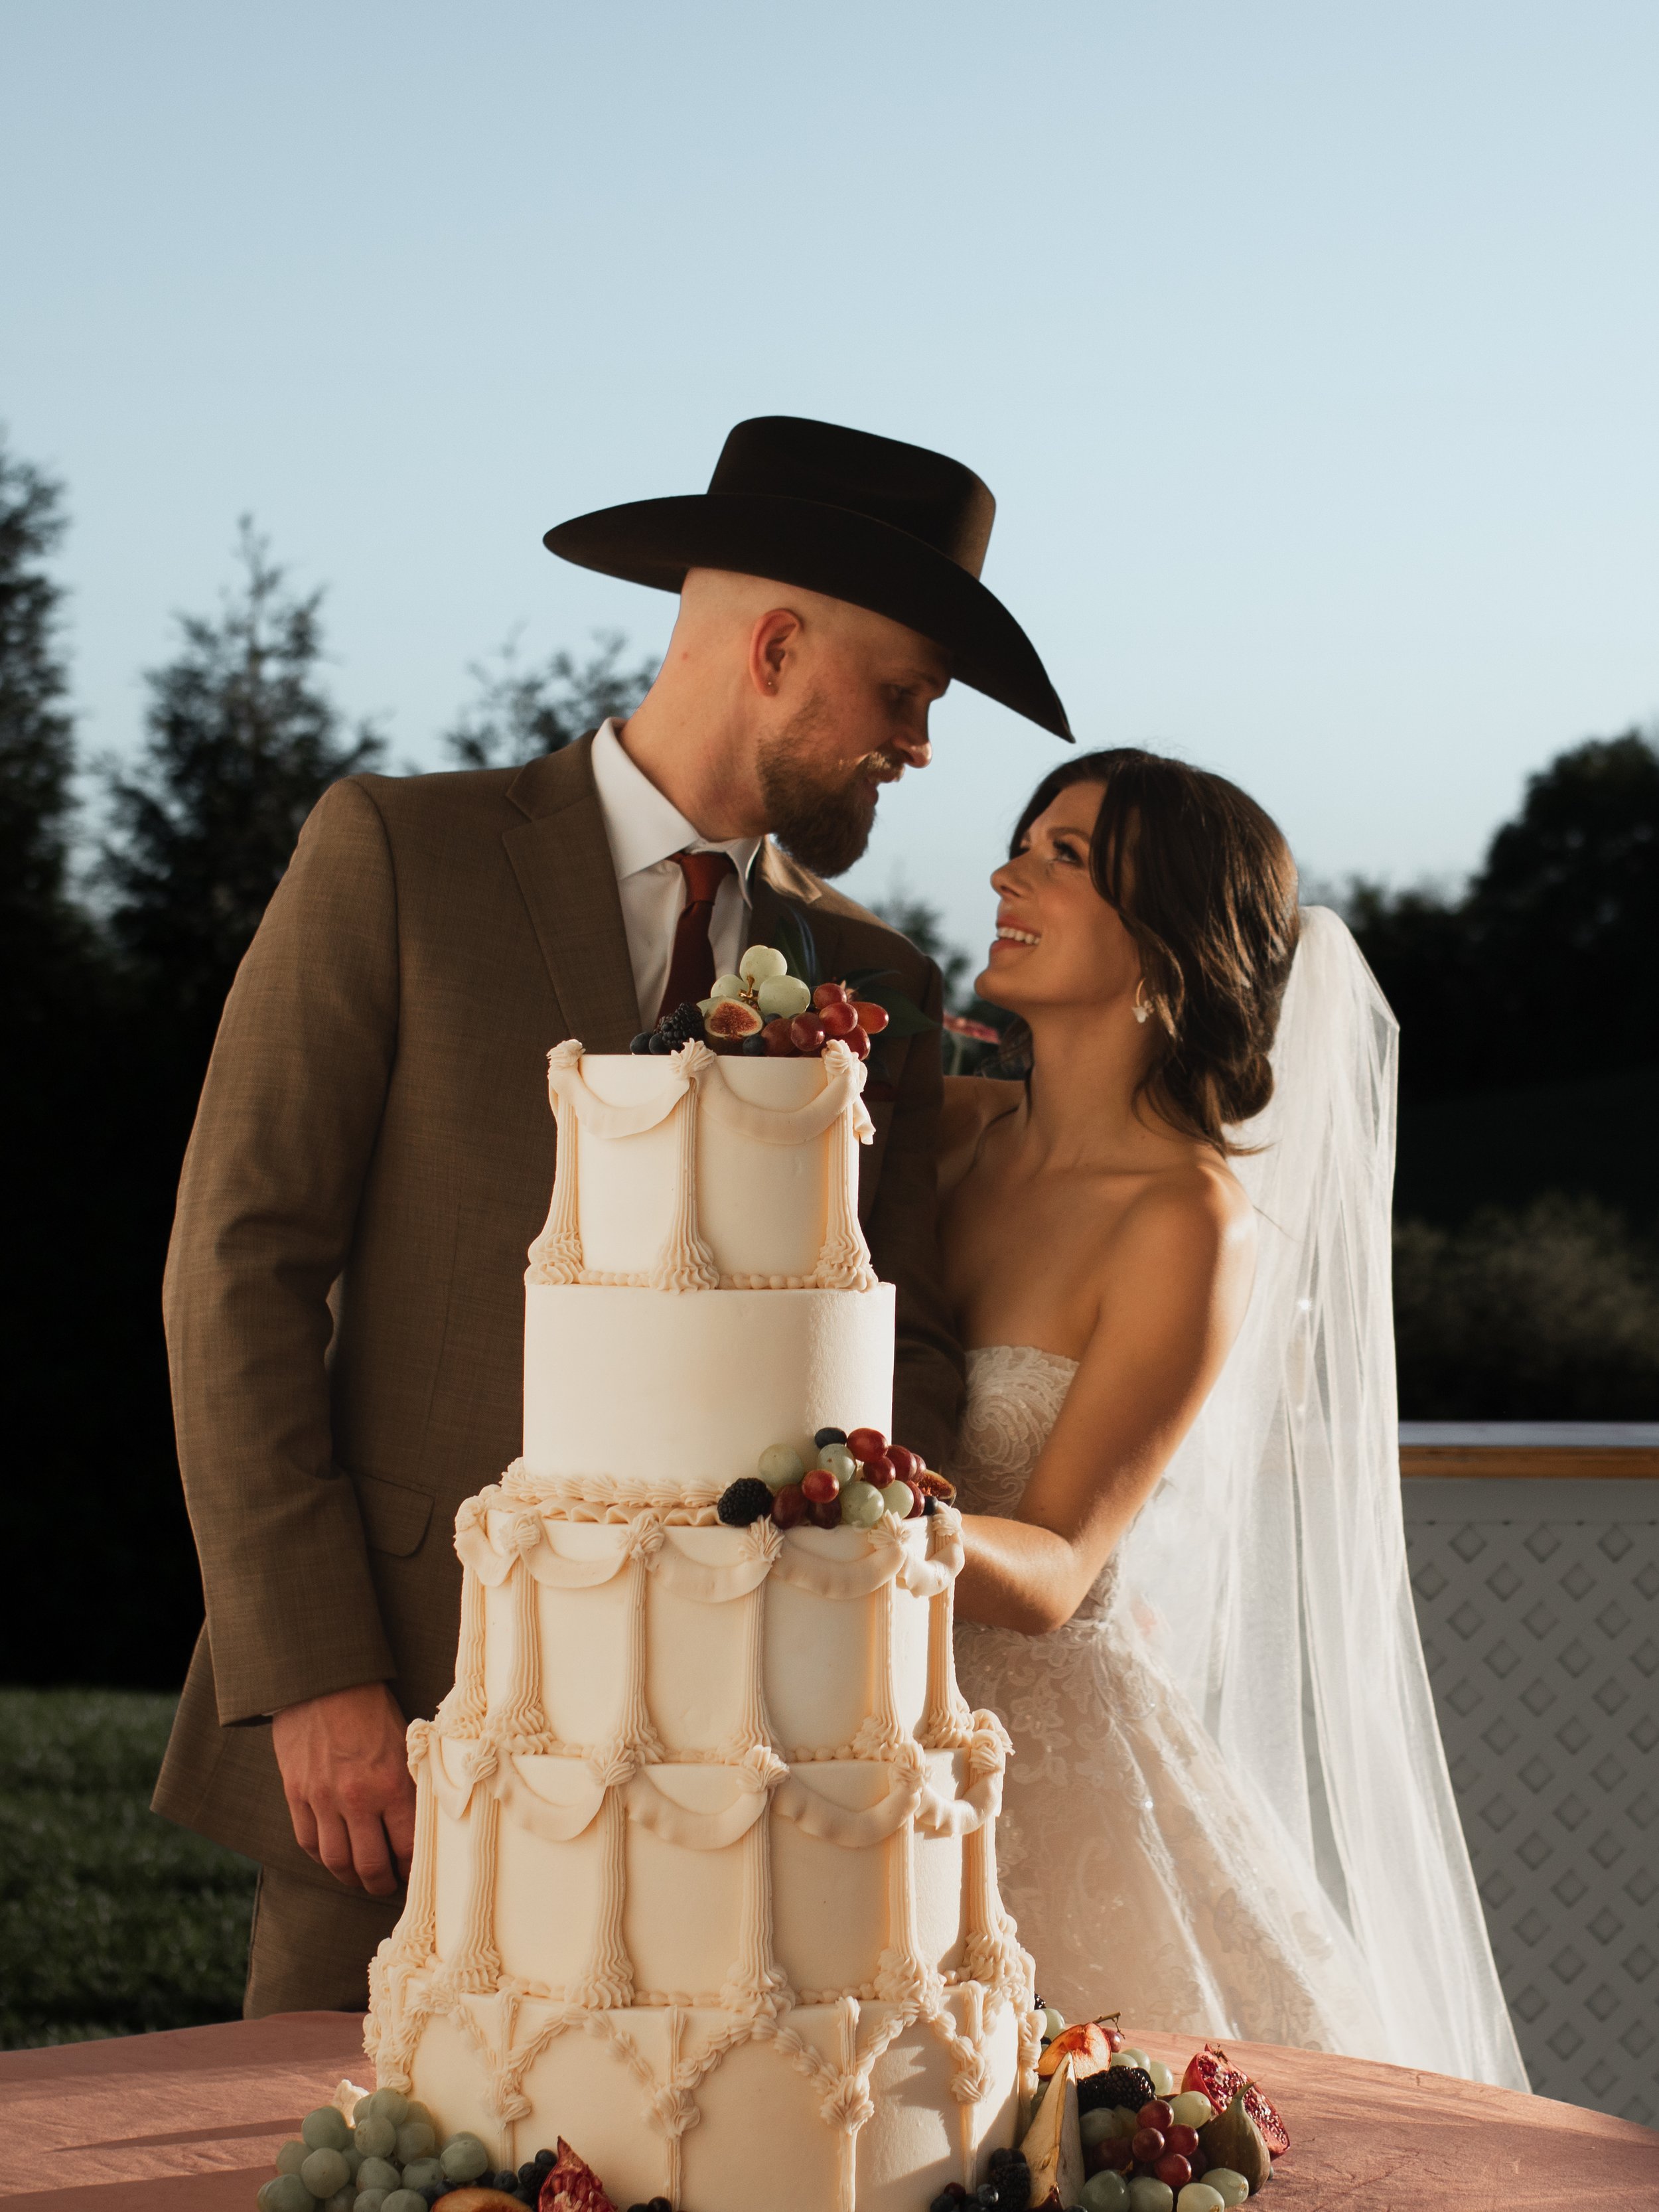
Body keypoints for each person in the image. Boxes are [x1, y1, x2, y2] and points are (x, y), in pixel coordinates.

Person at [152, 415, 1071, 2014]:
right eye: (907, 691)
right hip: (401, 1714)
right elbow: (236, 1265)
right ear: (776, 648)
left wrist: (826, 1615)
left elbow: (896, 1336)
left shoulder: (886, 990)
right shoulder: (396, 855)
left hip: (743, 1768)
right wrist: (310, 1670)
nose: (921, 742)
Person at [940, 747, 1528, 2089]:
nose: (1003, 873)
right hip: (853, 1738)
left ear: (1168, 940)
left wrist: (843, 1517)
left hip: (1041, 1773)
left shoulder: (1184, 1221)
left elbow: (1055, 1571)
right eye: (1021, 841)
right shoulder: (944, 1136)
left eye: (1064, 856)